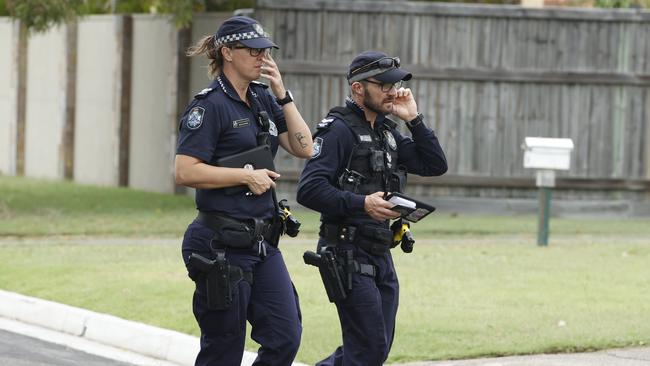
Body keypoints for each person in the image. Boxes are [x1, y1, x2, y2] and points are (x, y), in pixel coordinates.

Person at [175, 15, 312, 366]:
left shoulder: (265, 99)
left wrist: (283, 94)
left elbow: (304, 147)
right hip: (219, 242)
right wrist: (244, 176)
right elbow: (184, 171)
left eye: (265, 50)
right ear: (227, 53)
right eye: (252, 50)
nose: (262, 57)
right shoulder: (209, 106)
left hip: (262, 243)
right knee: (224, 349)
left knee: (285, 337)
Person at [297, 50, 448, 366]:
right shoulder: (337, 130)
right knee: (368, 350)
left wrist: (413, 119)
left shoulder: (387, 131)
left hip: (380, 251)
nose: (393, 91)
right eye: (385, 85)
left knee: (374, 350)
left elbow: (435, 164)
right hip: (345, 251)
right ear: (358, 88)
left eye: (395, 85)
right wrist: (361, 203)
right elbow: (308, 189)